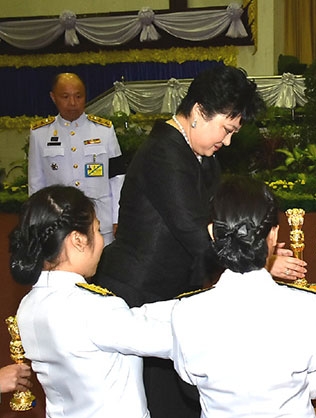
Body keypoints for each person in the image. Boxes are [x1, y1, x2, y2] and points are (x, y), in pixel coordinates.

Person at [92, 65, 271, 418]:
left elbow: (217, 225)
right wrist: (258, 260)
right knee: (154, 405)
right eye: (226, 129)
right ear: (199, 111)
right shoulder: (164, 152)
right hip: (138, 298)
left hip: (173, 297)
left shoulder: (204, 158)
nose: (228, 141)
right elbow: (196, 233)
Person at [171, 176, 316, 417]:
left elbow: (189, 379)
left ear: (213, 233)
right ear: (274, 236)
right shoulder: (306, 307)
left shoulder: (186, 312)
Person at [9, 185, 174, 417]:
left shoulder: (28, 305)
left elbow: (133, 320)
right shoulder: (94, 308)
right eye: (97, 230)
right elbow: (167, 339)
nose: (101, 241)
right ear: (77, 240)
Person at [28, 72, 124, 246]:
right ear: (53, 97)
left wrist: (118, 216)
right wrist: (37, 221)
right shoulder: (40, 134)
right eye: (65, 97)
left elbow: (117, 178)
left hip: (100, 221)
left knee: (105, 270)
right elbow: (36, 182)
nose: (73, 103)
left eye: (78, 96)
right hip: (58, 223)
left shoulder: (104, 130)